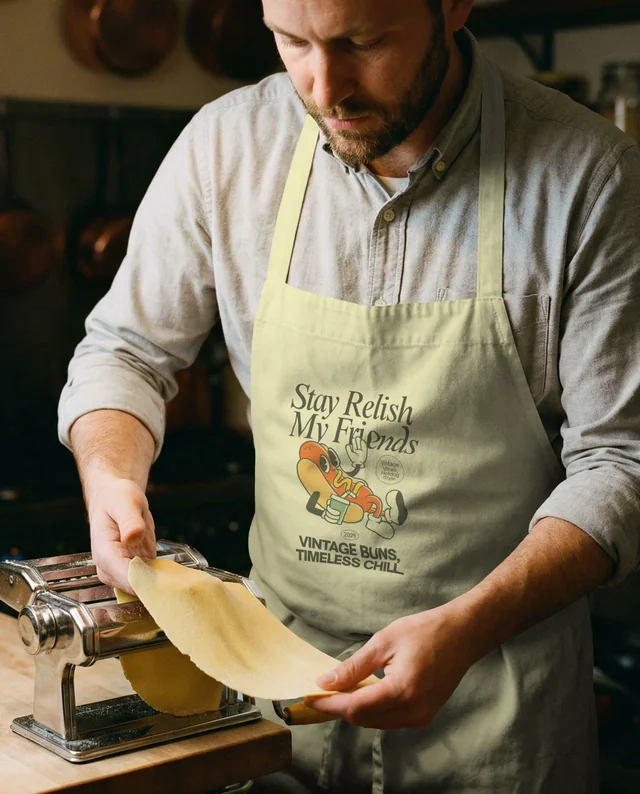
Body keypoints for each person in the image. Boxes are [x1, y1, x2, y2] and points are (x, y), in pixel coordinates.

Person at [58, 0, 640, 791]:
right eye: (291, 41)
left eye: (361, 43)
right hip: (275, 698)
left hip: (495, 712)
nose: (324, 86)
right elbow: (127, 350)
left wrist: (468, 628)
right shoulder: (228, 147)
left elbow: (621, 459)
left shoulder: (589, 176)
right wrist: (112, 478)